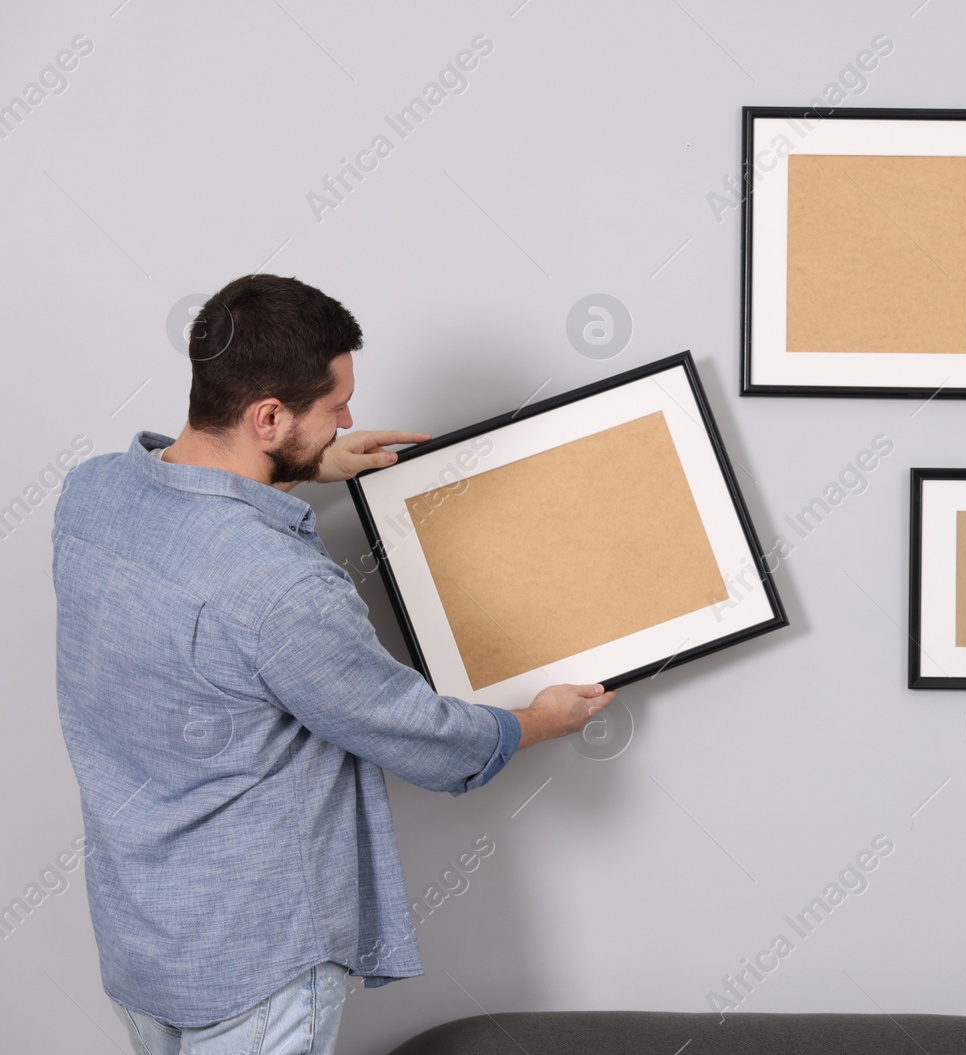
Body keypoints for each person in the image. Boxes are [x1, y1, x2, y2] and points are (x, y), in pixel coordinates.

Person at [51, 273, 614, 1055]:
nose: (349, 418)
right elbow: (419, 731)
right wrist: (539, 720)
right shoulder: (283, 591)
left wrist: (310, 466)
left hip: (143, 940)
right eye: (335, 407)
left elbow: (203, 540)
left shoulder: (90, 496)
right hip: (256, 961)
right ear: (269, 416)